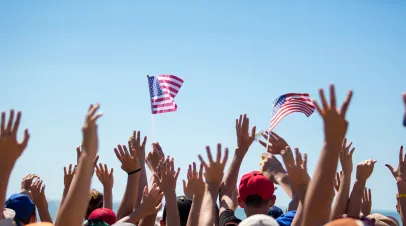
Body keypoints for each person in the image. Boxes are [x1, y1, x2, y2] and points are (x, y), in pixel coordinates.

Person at [219, 171, 295, 226]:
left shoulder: (231, 224)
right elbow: (301, 202)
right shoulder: (287, 222)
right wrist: (279, 173)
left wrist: (239, 154)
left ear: (240, 202)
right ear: (272, 201)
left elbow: (226, 194)